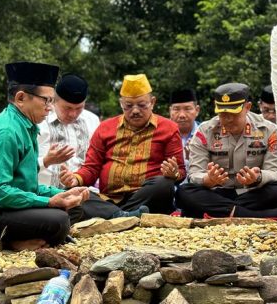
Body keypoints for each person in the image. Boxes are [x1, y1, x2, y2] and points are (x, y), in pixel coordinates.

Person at [0, 62, 89, 250]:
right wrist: (49, 202)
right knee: (60, 219)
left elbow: (26, 185)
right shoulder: (5, 132)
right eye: (46, 101)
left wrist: (61, 194)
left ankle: (23, 239)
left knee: (75, 207)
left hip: (9, 208)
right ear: (21, 98)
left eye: (51, 101)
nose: (50, 108)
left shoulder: (26, 127)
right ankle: (7, 243)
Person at [60, 74, 185, 219]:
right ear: (121, 104)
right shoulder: (105, 127)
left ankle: (113, 215)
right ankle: (124, 215)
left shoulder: (169, 128)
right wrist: (75, 179)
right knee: (72, 192)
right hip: (108, 199)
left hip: (146, 198)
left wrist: (173, 174)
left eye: (142, 105)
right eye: (129, 106)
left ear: (152, 102)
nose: (135, 110)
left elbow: (181, 171)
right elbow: (91, 167)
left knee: (163, 184)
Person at [176, 83, 277, 218]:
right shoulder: (205, 131)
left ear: (248, 108)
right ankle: (246, 214)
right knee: (184, 192)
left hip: (252, 192)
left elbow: (275, 173)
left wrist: (258, 177)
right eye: (223, 114)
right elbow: (194, 174)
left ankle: (224, 213)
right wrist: (208, 179)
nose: (228, 119)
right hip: (217, 192)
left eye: (234, 113)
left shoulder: (269, 130)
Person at [37, 74, 100, 188]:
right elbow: (21, 166)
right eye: (67, 108)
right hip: (43, 195)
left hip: (83, 193)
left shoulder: (92, 121)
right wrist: (46, 160)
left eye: (79, 108)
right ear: (54, 101)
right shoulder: (39, 122)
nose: (73, 114)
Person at [169, 88, 201, 165]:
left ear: (197, 110)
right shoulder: (162, 135)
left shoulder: (206, 133)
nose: (182, 115)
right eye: (176, 109)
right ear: (170, 111)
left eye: (187, 109)